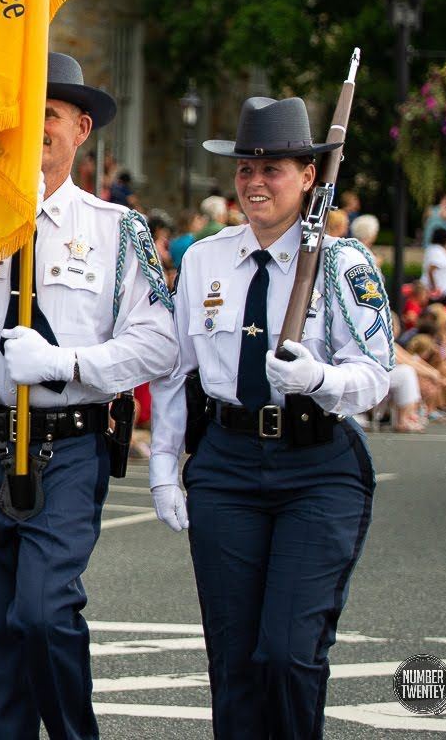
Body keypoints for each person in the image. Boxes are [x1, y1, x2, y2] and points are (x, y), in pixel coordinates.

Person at [0, 52, 177, 739]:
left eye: (49, 115)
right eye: (22, 115)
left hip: (68, 442)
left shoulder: (115, 229)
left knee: (44, 612)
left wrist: (67, 362)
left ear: (81, 129)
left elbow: (159, 342)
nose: (34, 129)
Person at [149, 96, 392, 738]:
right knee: (233, 660)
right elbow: (177, 372)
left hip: (317, 465)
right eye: (246, 169)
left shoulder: (340, 263)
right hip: (227, 462)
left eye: (273, 168)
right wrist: (164, 466)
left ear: (309, 175)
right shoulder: (205, 260)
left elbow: (376, 373)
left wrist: (321, 378)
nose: (255, 182)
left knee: (287, 653)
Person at [423, 227, 446, 300]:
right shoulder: (435, 250)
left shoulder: (439, 249)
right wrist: (435, 288)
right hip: (438, 293)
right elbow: (431, 270)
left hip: (444, 291)